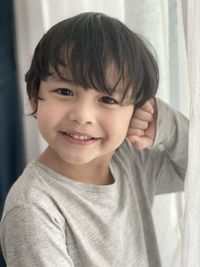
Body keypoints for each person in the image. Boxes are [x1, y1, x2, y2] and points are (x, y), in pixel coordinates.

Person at [0, 12, 188, 267]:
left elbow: (192, 168)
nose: (82, 116)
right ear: (34, 97)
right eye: (64, 91)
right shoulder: (33, 207)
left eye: (107, 99)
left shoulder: (131, 161)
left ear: (134, 111)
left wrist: (162, 120)